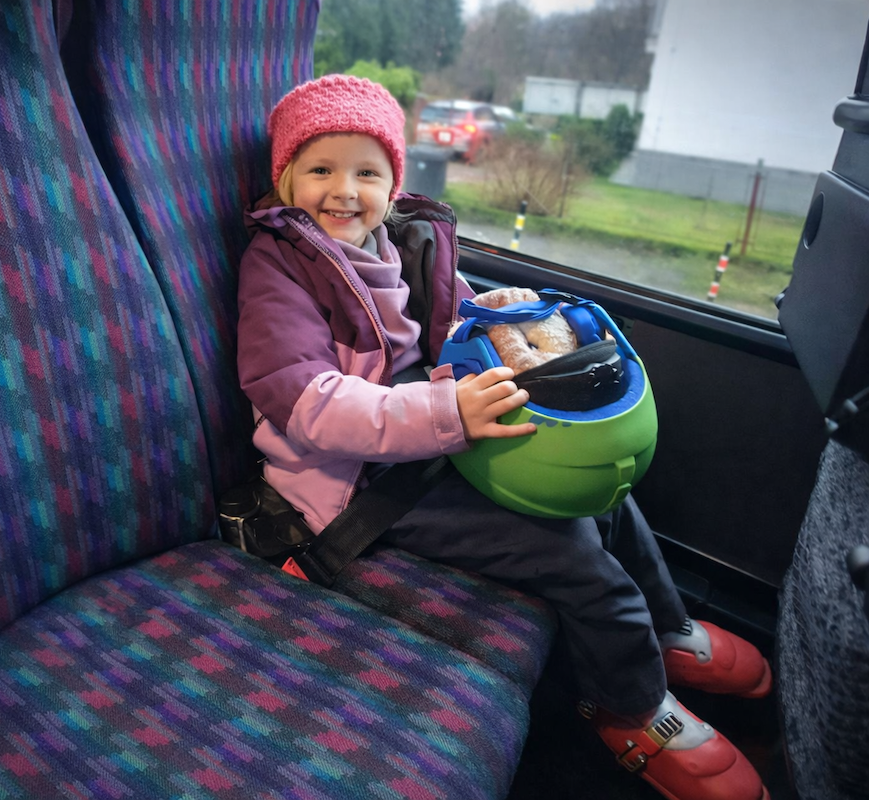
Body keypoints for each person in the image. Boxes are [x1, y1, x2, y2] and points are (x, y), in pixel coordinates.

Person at [236, 74, 773, 800]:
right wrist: (446, 413)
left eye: (367, 173)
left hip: (428, 435)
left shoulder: (392, 243)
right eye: (321, 170)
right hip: (352, 484)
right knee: (572, 549)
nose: (344, 191)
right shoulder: (279, 267)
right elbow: (305, 402)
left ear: (393, 186)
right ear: (285, 179)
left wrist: (488, 311)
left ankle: (665, 627)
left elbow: (440, 323)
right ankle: (631, 707)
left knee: (601, 494)